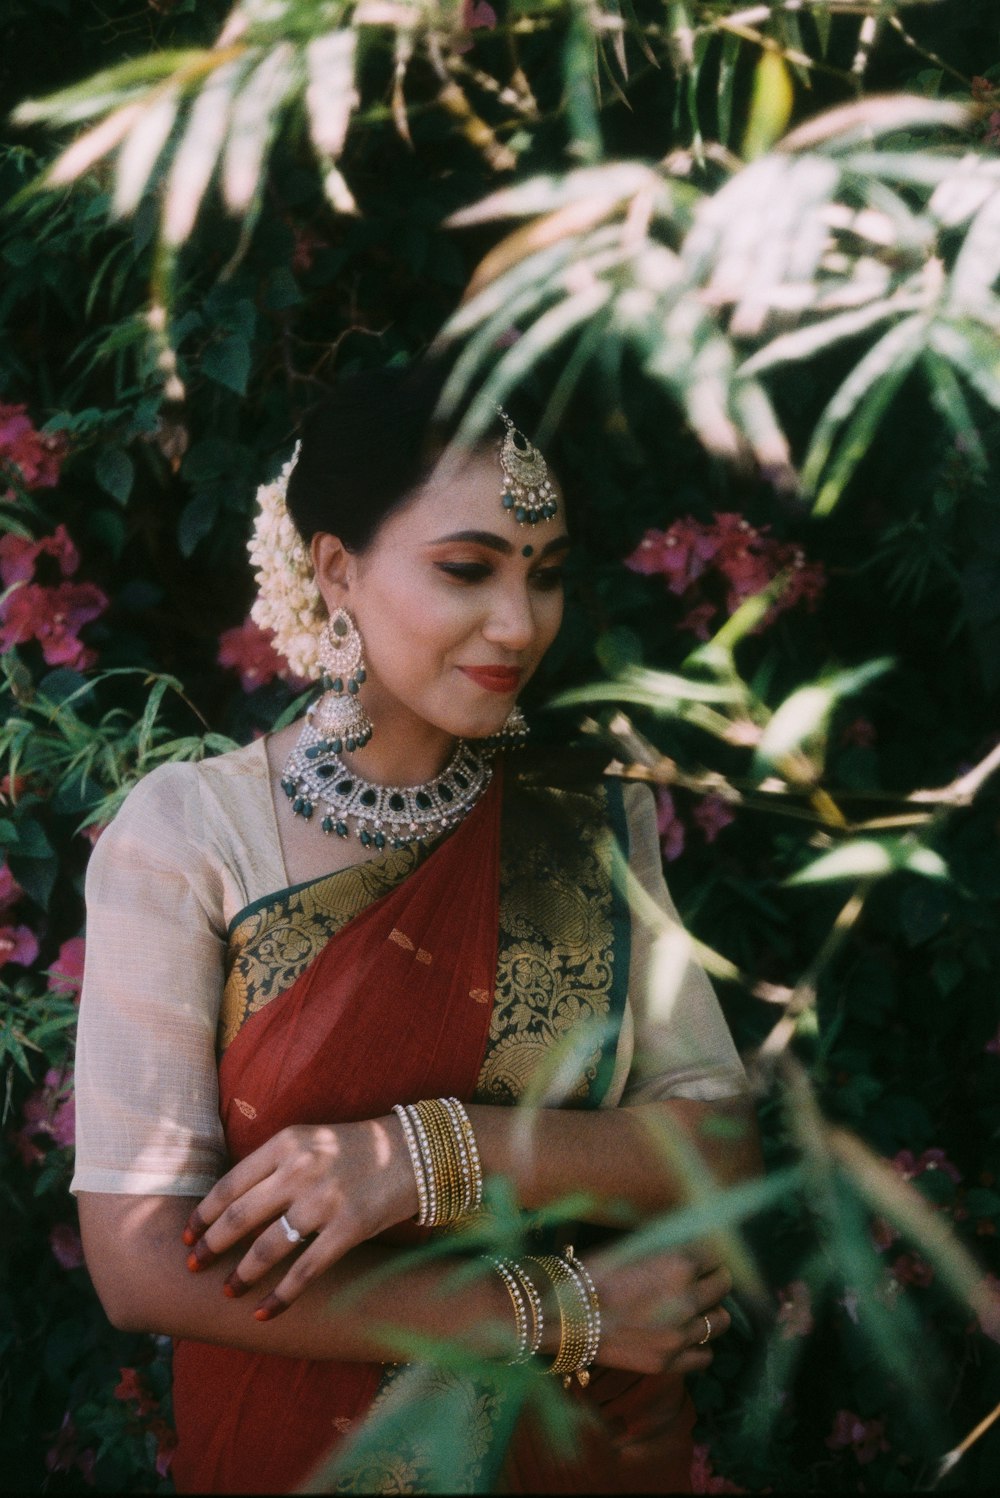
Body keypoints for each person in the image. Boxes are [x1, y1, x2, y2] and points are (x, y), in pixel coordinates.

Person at [71, 363, 760, 1495]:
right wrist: (556, 1308)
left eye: (543, 575)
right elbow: (143, 1263)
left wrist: (422, 1155)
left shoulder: (584, 817)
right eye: (466, 569)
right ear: (336, 569)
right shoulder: (194, 833)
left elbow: (717, 1150)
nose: (518, 622)